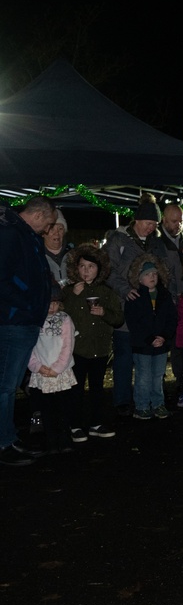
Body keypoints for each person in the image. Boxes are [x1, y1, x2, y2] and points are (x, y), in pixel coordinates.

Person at [0, 196, 56, 467]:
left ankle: (8, 437)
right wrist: (27, 304)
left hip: (23, 321)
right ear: (38, 215)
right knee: (5, 387)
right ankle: (3, 443)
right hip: (14, 322)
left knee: (8, 386)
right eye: (49, 222)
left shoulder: (23, 235)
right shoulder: (12, 235)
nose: (49, 228)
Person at [103, 194, 168, 416]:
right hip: (125, 307)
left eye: (155, 224)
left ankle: (147, 400)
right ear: (138, 221)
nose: (151, 228)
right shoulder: (119, 240)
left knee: (147, 357)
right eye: (149, 223)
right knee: (123, 356)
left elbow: (165, 271)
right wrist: (125, 290)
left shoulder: (157, 243)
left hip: (150, 311)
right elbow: (107, 270)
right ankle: (122, 399)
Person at [63, 245, 123, 441]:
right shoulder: (69, 291)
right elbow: (63, 315)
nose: (86, 271)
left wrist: (104, 313)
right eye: (82, 266)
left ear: (99, 269)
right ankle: (75, 426)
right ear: (75, 268)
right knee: (76, 389)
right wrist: (74, 294)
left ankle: (96, 423)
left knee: (98, 388)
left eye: (91, 266)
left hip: (100, 348)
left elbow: (118, 318)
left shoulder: (106, 292)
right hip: (77, 348)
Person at [123, 255, 177, 421]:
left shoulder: (164, 296)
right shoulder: (135, 297)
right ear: (139, 278)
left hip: (160, 344)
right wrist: (149, 338)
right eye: (147, 274)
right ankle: (142, 406)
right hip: (142, 345)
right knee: (143, 376)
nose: (152, 277)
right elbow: (133, 323)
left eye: (154, 273)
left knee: (158, 375)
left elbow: (171, 318)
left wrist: (164, 337)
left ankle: (158, 404)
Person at [27, 287, 77, 454]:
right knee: (46, 407)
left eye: (55, 303)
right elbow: (29, 347)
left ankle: (65, 438)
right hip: (42, 372)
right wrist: (38, 367)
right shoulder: (34, 320)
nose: (51, 307)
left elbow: (68, 346)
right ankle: (51, 439)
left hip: (59, 373)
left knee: (63, 406)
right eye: (48, 303)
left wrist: (57, 368)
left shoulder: (64, 319)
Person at [159, 203, 183, 405]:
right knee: (165, 347)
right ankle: (161, 392)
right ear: (164, 220)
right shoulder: (157, 243)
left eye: (181, 220)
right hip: (167, 303)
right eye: (174, 221)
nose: (178, 225)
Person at [43, 209, 72, 286]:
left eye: (60, 229)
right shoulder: (36, 256)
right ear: (43, 233)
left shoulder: (74, 255)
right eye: (52, 229)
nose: (57, 233)